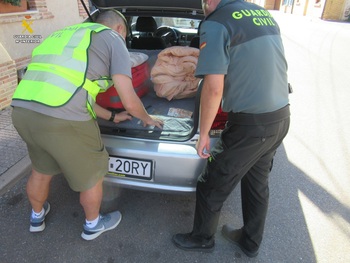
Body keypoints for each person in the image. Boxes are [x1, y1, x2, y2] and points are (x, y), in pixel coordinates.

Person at [11, 10, 163, 241]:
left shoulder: (60, 35)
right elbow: (129, 99)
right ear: (120, 29)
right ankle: (93, 225)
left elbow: (77, 88)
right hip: (63, 117)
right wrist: (147, 118)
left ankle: (36, 217)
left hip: (22, 110)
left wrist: (112, 118)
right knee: (92, 175)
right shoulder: (113, 39)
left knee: (41, 170)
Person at [172, 0, 290, 257]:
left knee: (211, 183)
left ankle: (202, 238)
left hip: (251, 125)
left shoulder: (217, 21)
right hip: (280, 116)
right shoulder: (261, 13)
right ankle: (250, 241)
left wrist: (203, 135)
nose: (203, 5)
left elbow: (214, 88)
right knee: (256, 184)